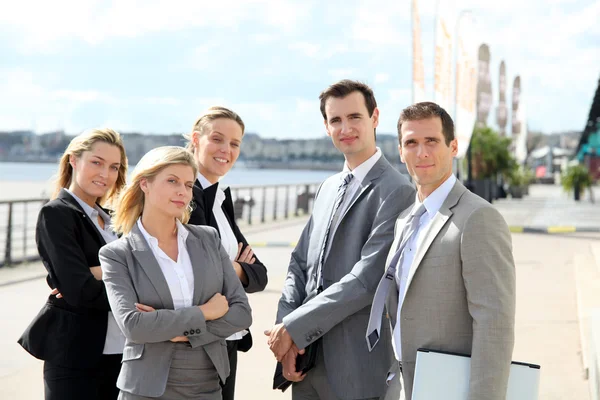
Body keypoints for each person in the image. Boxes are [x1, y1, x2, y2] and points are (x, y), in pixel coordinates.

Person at [265, 80, 415, 399]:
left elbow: (366, 280)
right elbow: (299, 264)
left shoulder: (397, 191)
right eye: (336, 120)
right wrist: (287, 334)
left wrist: (293, 328)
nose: (345, 128)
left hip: (355, 367)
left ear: (374, 118)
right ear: (326, 126)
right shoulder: (328, 187)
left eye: (354, 117)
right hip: (305, 362)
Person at [366, 102, 516, 400]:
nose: (421, 152)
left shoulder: (478, 218)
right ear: (400, 150)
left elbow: (494, 325)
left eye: (431, 141)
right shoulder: (405, 220)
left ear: (454, 146)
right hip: (405, 385)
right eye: (411, 142)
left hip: (451, 386)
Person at [99, 146, 252, 400]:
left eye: (189, 184)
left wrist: (179, 331)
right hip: (146, 388)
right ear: (145, 184)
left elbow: (241, 313)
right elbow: (134, 327)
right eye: (172, 181)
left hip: (208, 385)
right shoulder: (117, 254)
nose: (183, 191)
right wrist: (204, 313)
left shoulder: (208, 239)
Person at [18, 128, 128, 400]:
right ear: (73, 161)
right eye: (97, 162)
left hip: (124, 356)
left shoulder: (117, 221)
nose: (105, 174)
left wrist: (102, 272)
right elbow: (79, 291)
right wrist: (129, 288)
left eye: (114, 167)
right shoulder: (56, 214)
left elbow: (147, 271)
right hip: (76, 358)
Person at [183, 106, 268, 400]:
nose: (226, 150)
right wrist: (233, 267)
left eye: (234, 144)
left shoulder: (219, 198)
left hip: (226, 337)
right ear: (196, 139)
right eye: (217, 139)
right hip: (195, 342)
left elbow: (261, 275)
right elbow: (201, 268)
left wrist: (235, 269)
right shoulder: (185, 194)